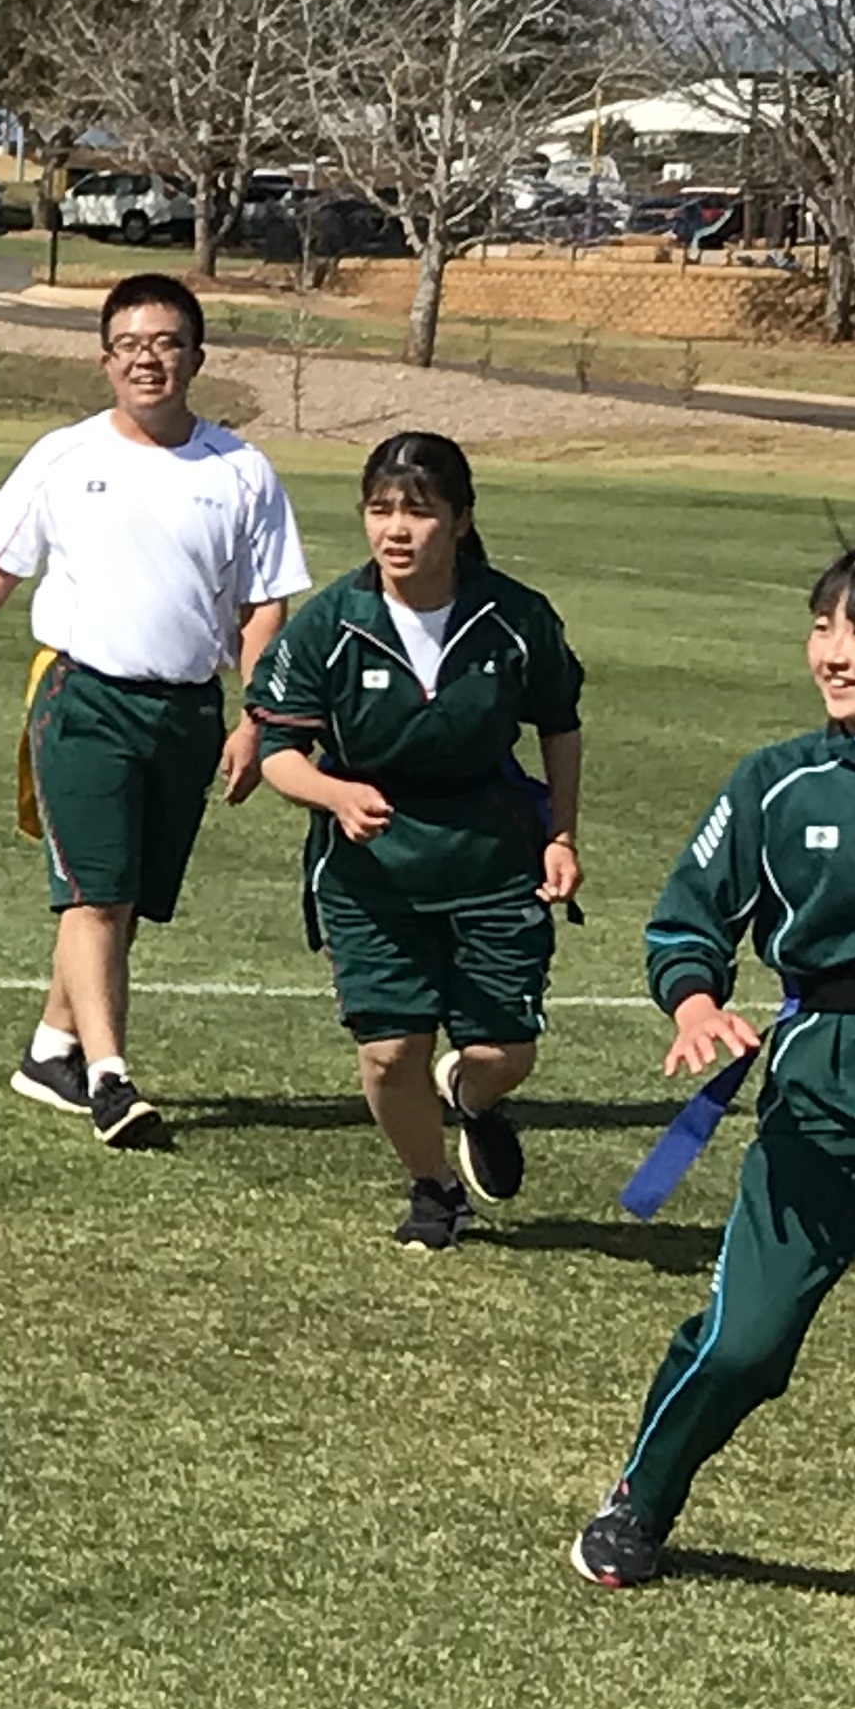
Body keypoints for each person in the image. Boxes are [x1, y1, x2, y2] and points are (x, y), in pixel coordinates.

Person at [573, 542, 855, 1590]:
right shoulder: (776, 782)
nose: (831, 653)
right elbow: (684, 922)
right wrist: (695, 1000)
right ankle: (638, 1501)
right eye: (822, 627)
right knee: (745, 1344)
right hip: (823, 1096)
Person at [0, 272, 309, 1148]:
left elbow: (263, 606)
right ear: (105, 360)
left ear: (196, 357)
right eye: (129, 346)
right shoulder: (64, 456)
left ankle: (50, 1049)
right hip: (81, 697)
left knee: (125, 900)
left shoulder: (240, 470)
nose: (146, 360)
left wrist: (257, 717)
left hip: (188, 710)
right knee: (94, 893)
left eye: (164, 343)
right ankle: (109, 1078)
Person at [245, 435, 586, 1248]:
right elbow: (277, 751)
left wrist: (562, 834)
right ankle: (433, 1188)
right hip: (372, 872)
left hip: (492, 857)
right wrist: (335, 794)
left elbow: (560, 724)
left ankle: (471, 1094)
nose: (395, 529)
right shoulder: (332, 622)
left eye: (418, 511)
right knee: (392, 1052)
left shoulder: (515, 617)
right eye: (380, 510)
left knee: (506, 1051)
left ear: (461, 520)